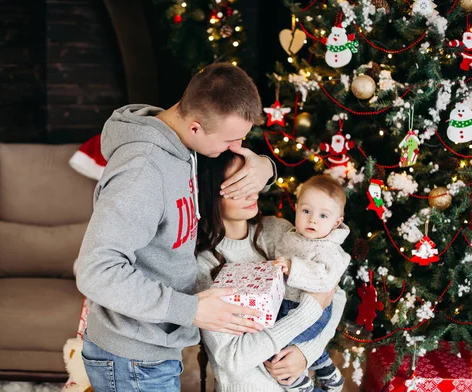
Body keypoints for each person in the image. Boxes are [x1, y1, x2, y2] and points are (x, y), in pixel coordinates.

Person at [75, 63, 278, 392]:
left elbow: (228, 180)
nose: (238, 147)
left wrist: (266, 167)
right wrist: (191, 309)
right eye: (231, 141)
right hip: (133, 357)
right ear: (196, 128)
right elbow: (96, 271)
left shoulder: (183, 142)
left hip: (151, 347)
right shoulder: (142, 171)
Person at [196, 151, 347, 392]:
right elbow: (232, 358)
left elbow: (335, 295)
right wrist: (308, 312)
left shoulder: (280, 231)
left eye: (251, 180)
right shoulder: (203, 264)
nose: (252, 191)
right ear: (210, 192)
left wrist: (304, 353)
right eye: (238, 184)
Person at [272, 175, 351, 391]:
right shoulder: (292, 236)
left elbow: (324, 278)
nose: (312, 220)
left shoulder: (331, 249)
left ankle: (302, 384)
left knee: (276, 350)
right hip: (287, 306)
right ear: (296, 208)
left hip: (313, 312)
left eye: (323, 215)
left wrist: (292, 267)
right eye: (306, 211)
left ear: (336, 223)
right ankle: (327, 371)